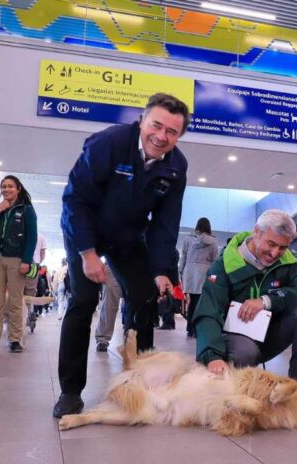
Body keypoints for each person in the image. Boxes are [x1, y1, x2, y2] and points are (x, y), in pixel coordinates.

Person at [53, 93, 189, 418]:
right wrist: (87, 254)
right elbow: (75, 201)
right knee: (83, 300)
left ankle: (140, 381)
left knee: (144, 296)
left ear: (179, 135)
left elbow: (166, 224)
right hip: (85, 231)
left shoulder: (176, 166)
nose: (161, 136)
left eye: (172, 132)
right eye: (156, 125)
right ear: (142, 121)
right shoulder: (109, 143)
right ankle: (71, 391)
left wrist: (161, 270)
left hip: (128, 236)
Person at [192, 209, 297, 380]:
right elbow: (209, 311)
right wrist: (212, 356)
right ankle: (234, 393)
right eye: (271, 244)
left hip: (270, 335)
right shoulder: (223, 265)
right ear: (256, 232)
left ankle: (296, 385)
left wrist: (267, 301)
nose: (275, 253)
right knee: (245, 353)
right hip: (234, 341)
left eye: (283, 247)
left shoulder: (289, 261)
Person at [0, 175, 38, 354]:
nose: (6, 189)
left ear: (18, 188)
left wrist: (26, 260)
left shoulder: (27, 210)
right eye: (4, 187)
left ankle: (14, 339)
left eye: (10, 186)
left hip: (17, 261)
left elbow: (32, 237)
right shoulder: (0, 209)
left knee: (15, 302)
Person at [178, 217, 218, 337]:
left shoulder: (188, 239)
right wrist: (214, 279)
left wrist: (181, 272)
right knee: (201, 303)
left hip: (190, 273)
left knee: (192, 302)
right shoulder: (213, 241)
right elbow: (215, 261)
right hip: (204, 273)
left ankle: (190, 328)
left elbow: (183, 257)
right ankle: (197, 329)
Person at [94, 263, 123, 352]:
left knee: (138, 302)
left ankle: (139, 337)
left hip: (138, 262)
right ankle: (102, 337)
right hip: (114, 262)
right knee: (109, 302)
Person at [24, 232, 46, 298]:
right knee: (30, 292)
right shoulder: (41, 237)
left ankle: (17, 308)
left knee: (17, 291)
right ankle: (28, 307)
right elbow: (42, 255)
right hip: (33, 268)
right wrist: (37, 263)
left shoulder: (21, 233)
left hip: (20, 264)